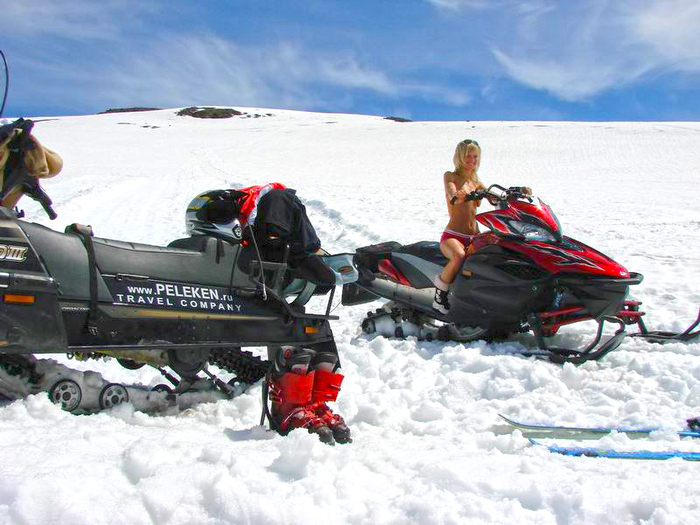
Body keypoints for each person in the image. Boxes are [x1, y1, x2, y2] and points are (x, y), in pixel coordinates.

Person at [197, 183, 352, 445]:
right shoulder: (269, 199)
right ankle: (289, 407)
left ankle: (312, 404)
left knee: (315, 343)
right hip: (259, 265)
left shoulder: (262, 201)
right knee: (298, 331)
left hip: (266, 258)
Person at [433, 139, 487, 314]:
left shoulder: (476, 182)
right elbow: (451, 193)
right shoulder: (451, 176)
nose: (472, 160)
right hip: (453, 236)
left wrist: (517, 193)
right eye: (468, 156)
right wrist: (457, 194)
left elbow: (494, 196)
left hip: (475, 236)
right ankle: (439, 296)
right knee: (458, 255)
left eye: (475, 156)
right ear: (459, 157)